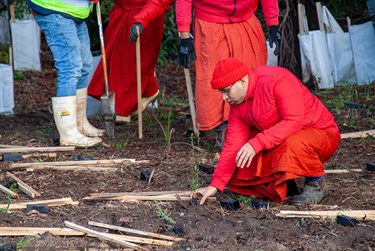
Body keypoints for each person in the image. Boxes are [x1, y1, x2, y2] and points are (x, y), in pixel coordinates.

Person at [192, 58, 341, 206]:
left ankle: (316, 183)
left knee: (283, 143)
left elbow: (293, 121)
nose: (224, 97)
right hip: (286, 137)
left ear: (242, 82)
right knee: (242, 157)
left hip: (321, 133)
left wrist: (257, 143)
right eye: (221, 92)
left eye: (226, 91)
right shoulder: (238, 104)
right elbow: (233, 145)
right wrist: (215, 185)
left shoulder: (277, 79)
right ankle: (284, 181)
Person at [176, 0, 281, 151]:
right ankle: (223, 133)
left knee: (251, 76)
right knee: (216, 79)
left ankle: (253, 128)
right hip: (210, 22)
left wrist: (273, 23)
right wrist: (185, 37)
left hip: (246, 19)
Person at [27, 0, 104, 148]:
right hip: (54, 9)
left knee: (84, 66)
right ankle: (69, 133)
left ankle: (79, 123)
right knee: (70, 67)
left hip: (73, 12)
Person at [88, 0, 174, 123]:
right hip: (120, 13)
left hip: (145, 16)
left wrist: (142, 19)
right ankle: (148, 90)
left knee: (130, 62)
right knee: (115, 61)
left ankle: (122, 108)